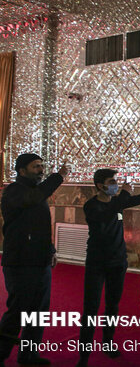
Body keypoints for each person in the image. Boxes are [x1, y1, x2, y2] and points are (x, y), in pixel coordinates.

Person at [76, 168, 140, 367]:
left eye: (116, 181)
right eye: (112, 181)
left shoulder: (118, 202)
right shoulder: (91, 206)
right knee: (90, 309)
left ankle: (108, 342)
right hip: (97, 263)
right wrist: (124, 195)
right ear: (100, 185)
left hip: (117, 262)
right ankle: (83, 356)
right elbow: (104, 216)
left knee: (112, 306)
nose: (116, 185)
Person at [0, 154, 68, 365]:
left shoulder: (37, 194)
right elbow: (33, 198)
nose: (40, 170)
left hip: (40, 261)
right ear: (22, 171)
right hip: (20, 262)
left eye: (41, 166)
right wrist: (58, 177)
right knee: (18, 313)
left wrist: (51, 250)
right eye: (36, 166)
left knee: (38, 313)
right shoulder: (14, 191)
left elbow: (39, 227)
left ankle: (28, 354)